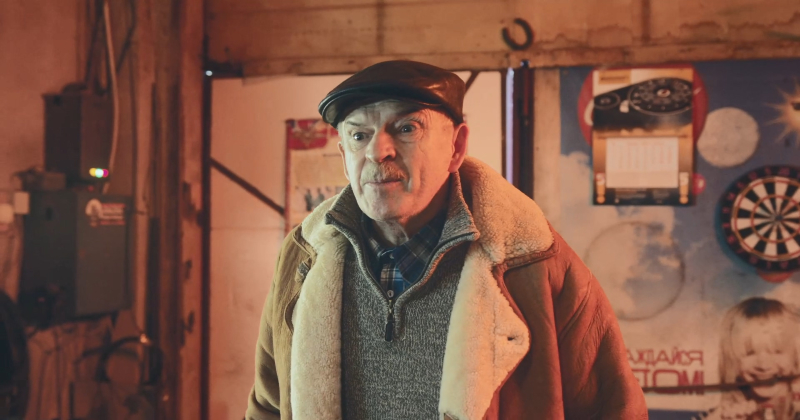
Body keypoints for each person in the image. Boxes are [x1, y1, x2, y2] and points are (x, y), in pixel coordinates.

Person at [245, 60, 647, 420]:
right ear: (343, 156)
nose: (377, 151)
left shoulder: (535, 263)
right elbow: (268, 406)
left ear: (456, 146)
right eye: (358, 135)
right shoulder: (304, 258)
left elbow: (613, 408)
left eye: (406, 128)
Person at [702, 297, 800, 420]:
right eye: (750, 353)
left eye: (777, 351)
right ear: (732, 359)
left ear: (795, 357)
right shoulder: (718, 416)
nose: (763, 365)